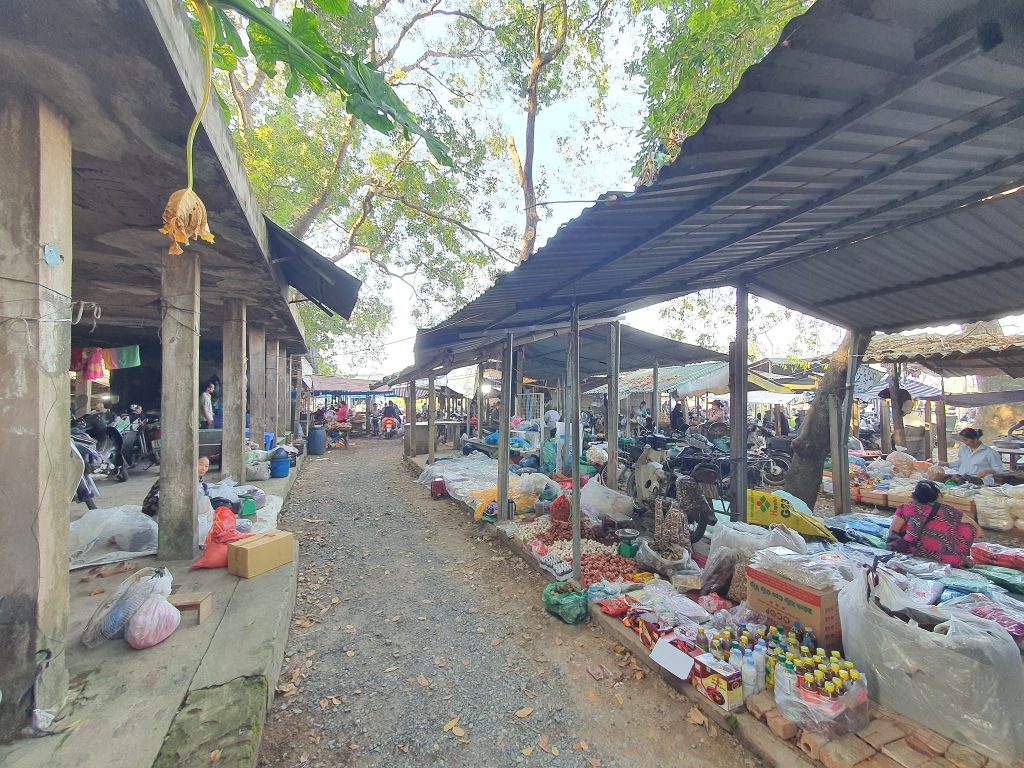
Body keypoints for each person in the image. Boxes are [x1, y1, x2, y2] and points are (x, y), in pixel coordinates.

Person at [887, 480, 979, 566]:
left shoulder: (906, 507)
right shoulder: (951, 511)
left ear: (914, 495)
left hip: (916, 552)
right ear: (938, 496)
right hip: (950, 559)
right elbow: (978, 532)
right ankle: (960, 556)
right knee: (966, 527)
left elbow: (893, 532)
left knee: (906, 526)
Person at [142, 456, 212, 518]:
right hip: (154, 511)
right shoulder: (179, 476)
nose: (203, 468)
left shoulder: (197, 479)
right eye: (200, 464)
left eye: (206, 466)